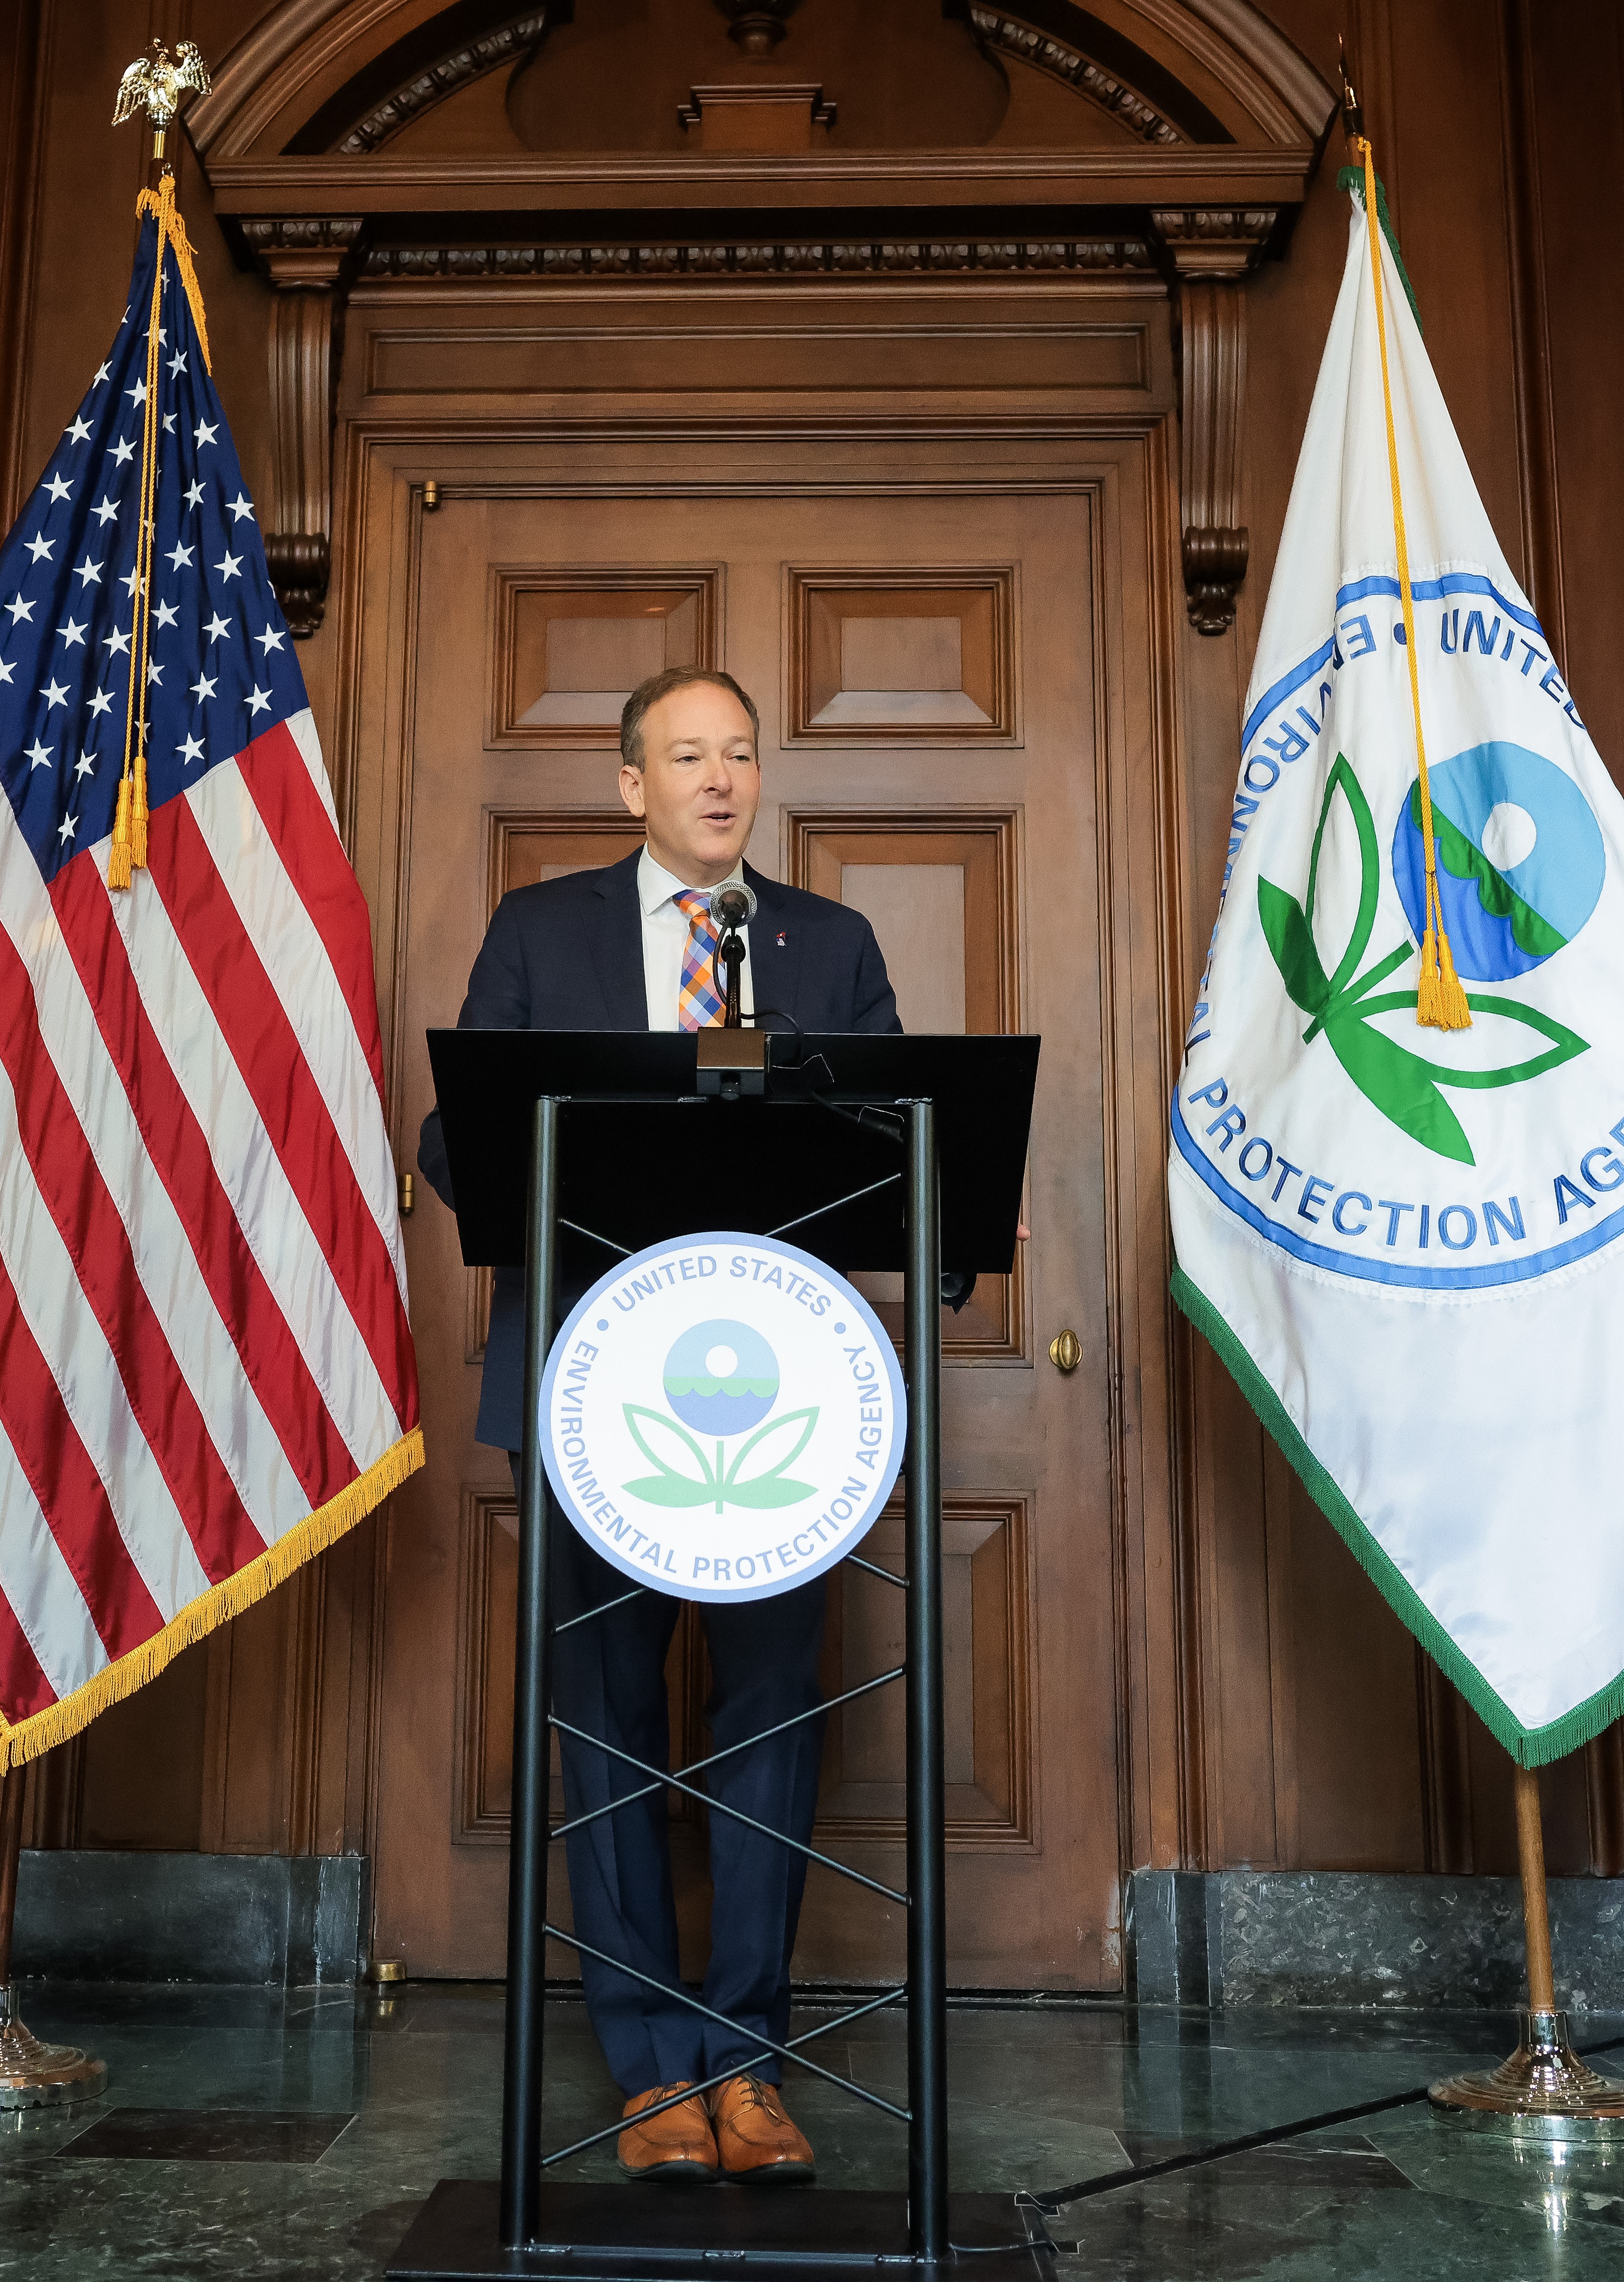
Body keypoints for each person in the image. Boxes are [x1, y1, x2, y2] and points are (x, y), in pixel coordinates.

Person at [417, 665, 897, 2186]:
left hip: (782, 1401)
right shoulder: (539, 933)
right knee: (604, 1727)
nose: (718, 780)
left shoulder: (827, 946)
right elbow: (450, 1142)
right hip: (587, 1379)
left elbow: (898, 1136)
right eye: (685, 757)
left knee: (767, 1719)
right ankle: (648, 2071)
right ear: (631, 786)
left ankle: (748, 2063)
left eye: (739, 755)